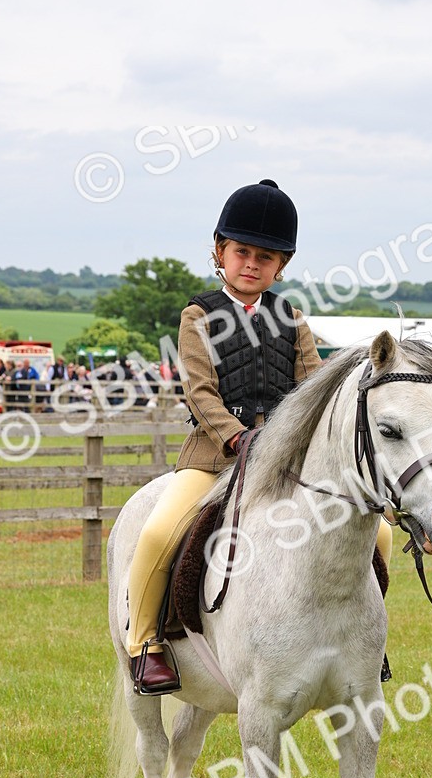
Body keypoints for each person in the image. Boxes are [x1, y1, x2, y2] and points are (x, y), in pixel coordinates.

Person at [126, 178, 321, 693]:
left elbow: (313, 390)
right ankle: (145, 643)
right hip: (214, 455)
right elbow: (200, 391)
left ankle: (358, 642)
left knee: (378, 533)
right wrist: (238, 438)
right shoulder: (199, 315)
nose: (252, 263)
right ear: (220, 251)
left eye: (265, 256)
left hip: (281, 460)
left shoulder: (294, 321)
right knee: (158, 532)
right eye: (242, 252)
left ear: (283, 264)